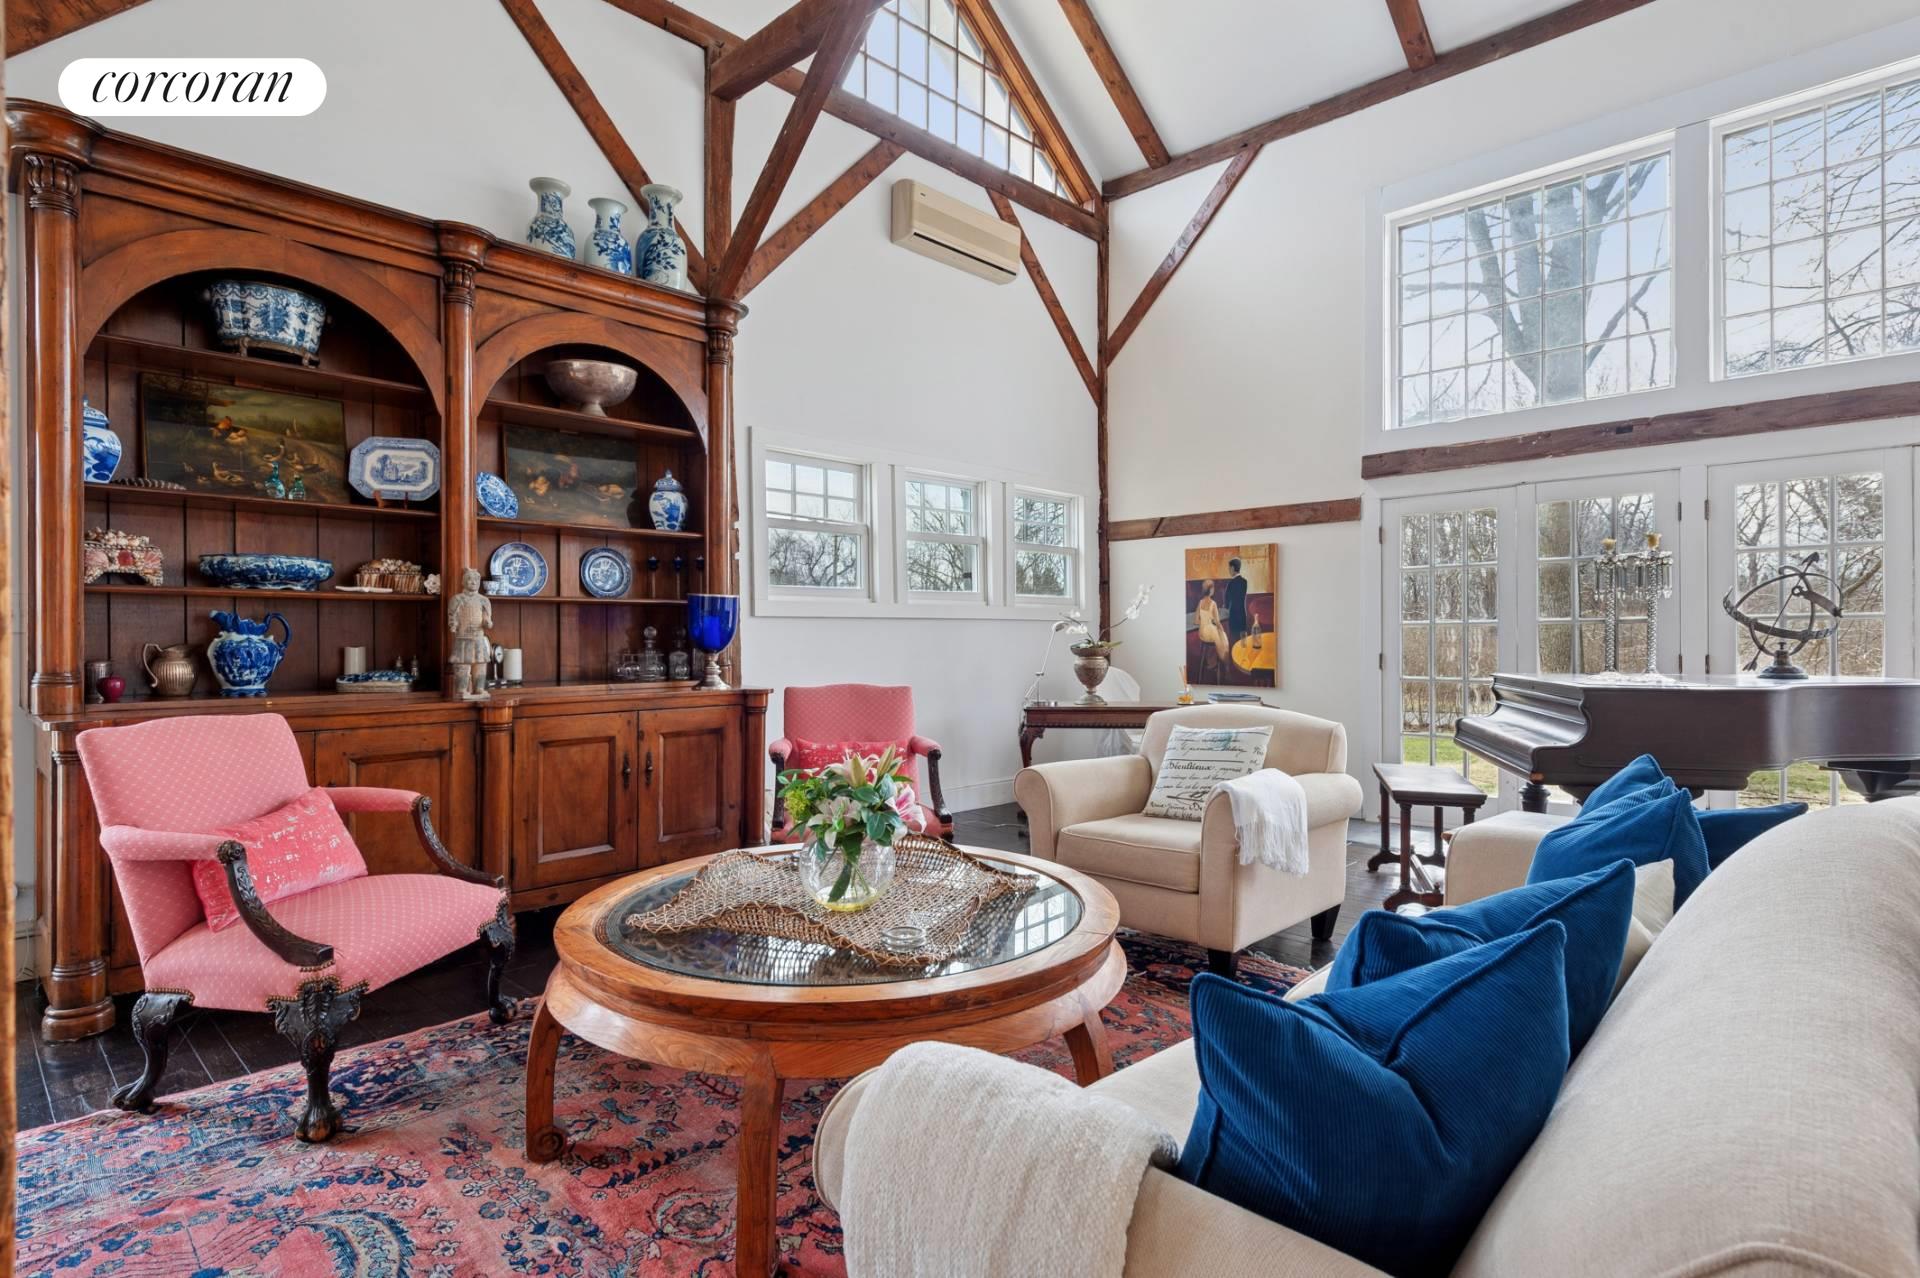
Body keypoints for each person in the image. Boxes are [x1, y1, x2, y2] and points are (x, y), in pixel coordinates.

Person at [1194, 579, 1230, 679]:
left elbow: (1196, 621)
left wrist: (1204, 622)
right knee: (1223, 637)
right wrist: (1222, 630)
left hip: (1202, 633)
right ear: (1210, 590)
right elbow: (1217, 622)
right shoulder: (1213, 603)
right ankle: (1226, 666)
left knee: (1218, 636)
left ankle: (1212, 662)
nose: (1214, 590)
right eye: (1213, 588)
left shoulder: (1200, 602)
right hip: (1209, 631)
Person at [1223, 557, 1250, 652]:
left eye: (1229, 568)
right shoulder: (1244, 582)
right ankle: (1244, 655)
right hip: (1242, 614)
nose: (1228, 570)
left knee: (1234, 640)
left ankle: (1235, 656)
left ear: (1232, 568)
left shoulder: (1230, 584)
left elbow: (1226, 601)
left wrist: (1225, 606)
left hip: (1233, 615)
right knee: (1243, 641)